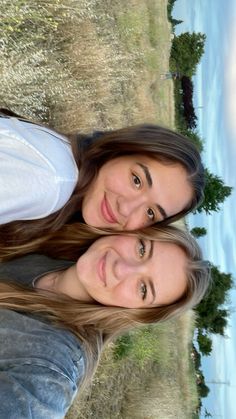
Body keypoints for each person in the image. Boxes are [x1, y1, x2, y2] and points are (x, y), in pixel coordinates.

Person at [0, 225, 210, 417]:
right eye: (142, 249)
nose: (121, 268)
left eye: (143, 289)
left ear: (138, 313)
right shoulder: (55, 242)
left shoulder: (53, 366)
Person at [0, 109, 205, 247]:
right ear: (120, 150)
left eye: (150, 212)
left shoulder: (67, 183)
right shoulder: (51, 180)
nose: (126, 209)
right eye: (137, 180)